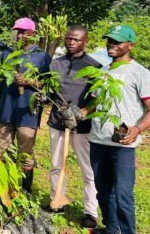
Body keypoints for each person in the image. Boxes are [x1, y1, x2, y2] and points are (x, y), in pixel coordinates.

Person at [87, 25, 150, 234]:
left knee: (123, 194)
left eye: (117, 42)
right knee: (103, 191)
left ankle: (127, 231)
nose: (111, 45)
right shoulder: (103, 71)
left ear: (130, 46)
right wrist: (78, 113)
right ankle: (111, 228)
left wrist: (137, 128)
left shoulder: (140, 73)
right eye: (109, 40)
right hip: (98, 140)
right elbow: (94, 103)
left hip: (123, 143)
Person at [46, 26, 100, 228]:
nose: (70, 42)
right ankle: (57, 201)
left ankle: (91, 212)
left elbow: (98, 98)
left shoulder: (94, 66)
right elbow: (50, 92)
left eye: (76, 39)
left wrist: (81, 113)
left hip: (82, 126)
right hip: (57, 122)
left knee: (87, 170)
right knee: (56, 164)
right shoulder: (56, 63)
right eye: (68, 38)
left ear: (85, 41)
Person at [0, 17, 51, 192]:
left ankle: (25, 189)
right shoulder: (6, 53)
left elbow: (47, 84)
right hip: (6, 110)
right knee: (0, 150)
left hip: (28, 112)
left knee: (25, 152)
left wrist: (29, 82)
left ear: (32, 34)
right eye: (17, 32)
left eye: (23, 32)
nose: (19, 36)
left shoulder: (41, 56)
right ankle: (0, 186)